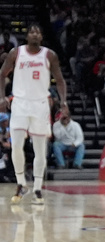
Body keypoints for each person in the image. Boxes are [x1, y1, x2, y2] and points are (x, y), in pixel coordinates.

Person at [0, 24, 68, 205]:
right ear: (27, 36)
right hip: (20, 104)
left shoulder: (49, 55)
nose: (35, 34)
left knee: (40, 149)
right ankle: (21, 183)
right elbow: (2, 74)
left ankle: (37, 188)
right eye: (32, 31)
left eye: (38, 31)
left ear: (42, 36)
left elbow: (60, 81)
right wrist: (1, 98)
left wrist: (64, 102)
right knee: (16, 147)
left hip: (40, 105)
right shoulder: (16, 53)